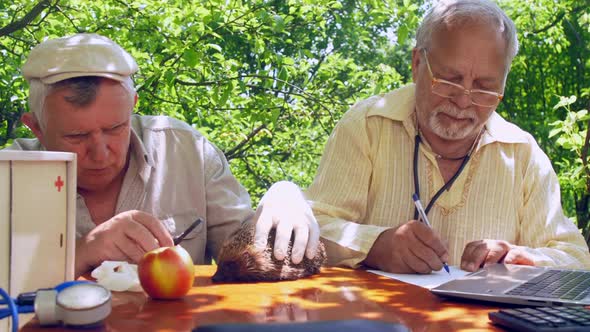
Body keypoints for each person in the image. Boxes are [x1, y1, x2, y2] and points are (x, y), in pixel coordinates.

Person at [306, 0, 590, 274]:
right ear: (417, 63)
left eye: (484, 86)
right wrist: (375, 246)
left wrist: (525, 259)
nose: (464, 101)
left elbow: (577, 258)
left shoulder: (523, 155)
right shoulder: (367, 125)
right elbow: (313, 225)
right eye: (449, 80)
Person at [6, 33, 319, 278]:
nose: (100, 154)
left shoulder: (185, 152)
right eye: (76, 136)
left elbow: (248, 250)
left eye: (116, 128)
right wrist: (80, 252)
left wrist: (283, 195)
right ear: (36, 129)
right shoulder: (10, 177)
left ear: (133, 106)